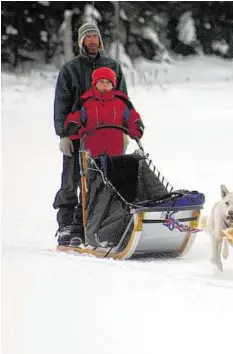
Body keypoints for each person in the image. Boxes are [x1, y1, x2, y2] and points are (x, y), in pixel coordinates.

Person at [53, 22, 129, 246]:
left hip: (107, 136)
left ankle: (97, 223)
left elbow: (123, 100)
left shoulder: (113, 67)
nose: (92, 41)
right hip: (76, 134)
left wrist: (124, 130)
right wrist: (63, 134)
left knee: (102, 179)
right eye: (88, 37)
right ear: (81, 42)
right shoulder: (70, 69)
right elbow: (61, 103)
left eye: (95, 37)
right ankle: (67, 223)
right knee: (71, 179)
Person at [60, 67, 144, 246]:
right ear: (95, 83)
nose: (104, 86)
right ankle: (78, 231)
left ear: (113, 84)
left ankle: (115, 231)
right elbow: (72, 121)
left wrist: (136, 127)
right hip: (91, 157)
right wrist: (77, 130)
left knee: (116, 194)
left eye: (108, 83)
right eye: (101, 82)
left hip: (116, 157)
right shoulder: (85, 102)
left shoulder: (122, 102)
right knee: (88, 194)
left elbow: (133, 118)